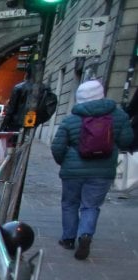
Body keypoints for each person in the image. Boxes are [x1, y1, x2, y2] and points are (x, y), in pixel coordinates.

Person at [49, 79, 133, 260]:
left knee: (70, 204)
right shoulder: (119, 116)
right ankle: (85, 234)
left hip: (72, 171)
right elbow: (127, 141)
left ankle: (68, 239)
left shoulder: (71, 119)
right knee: (91, 206)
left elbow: (57, 147)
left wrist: (63, 162)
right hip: (102, 171)